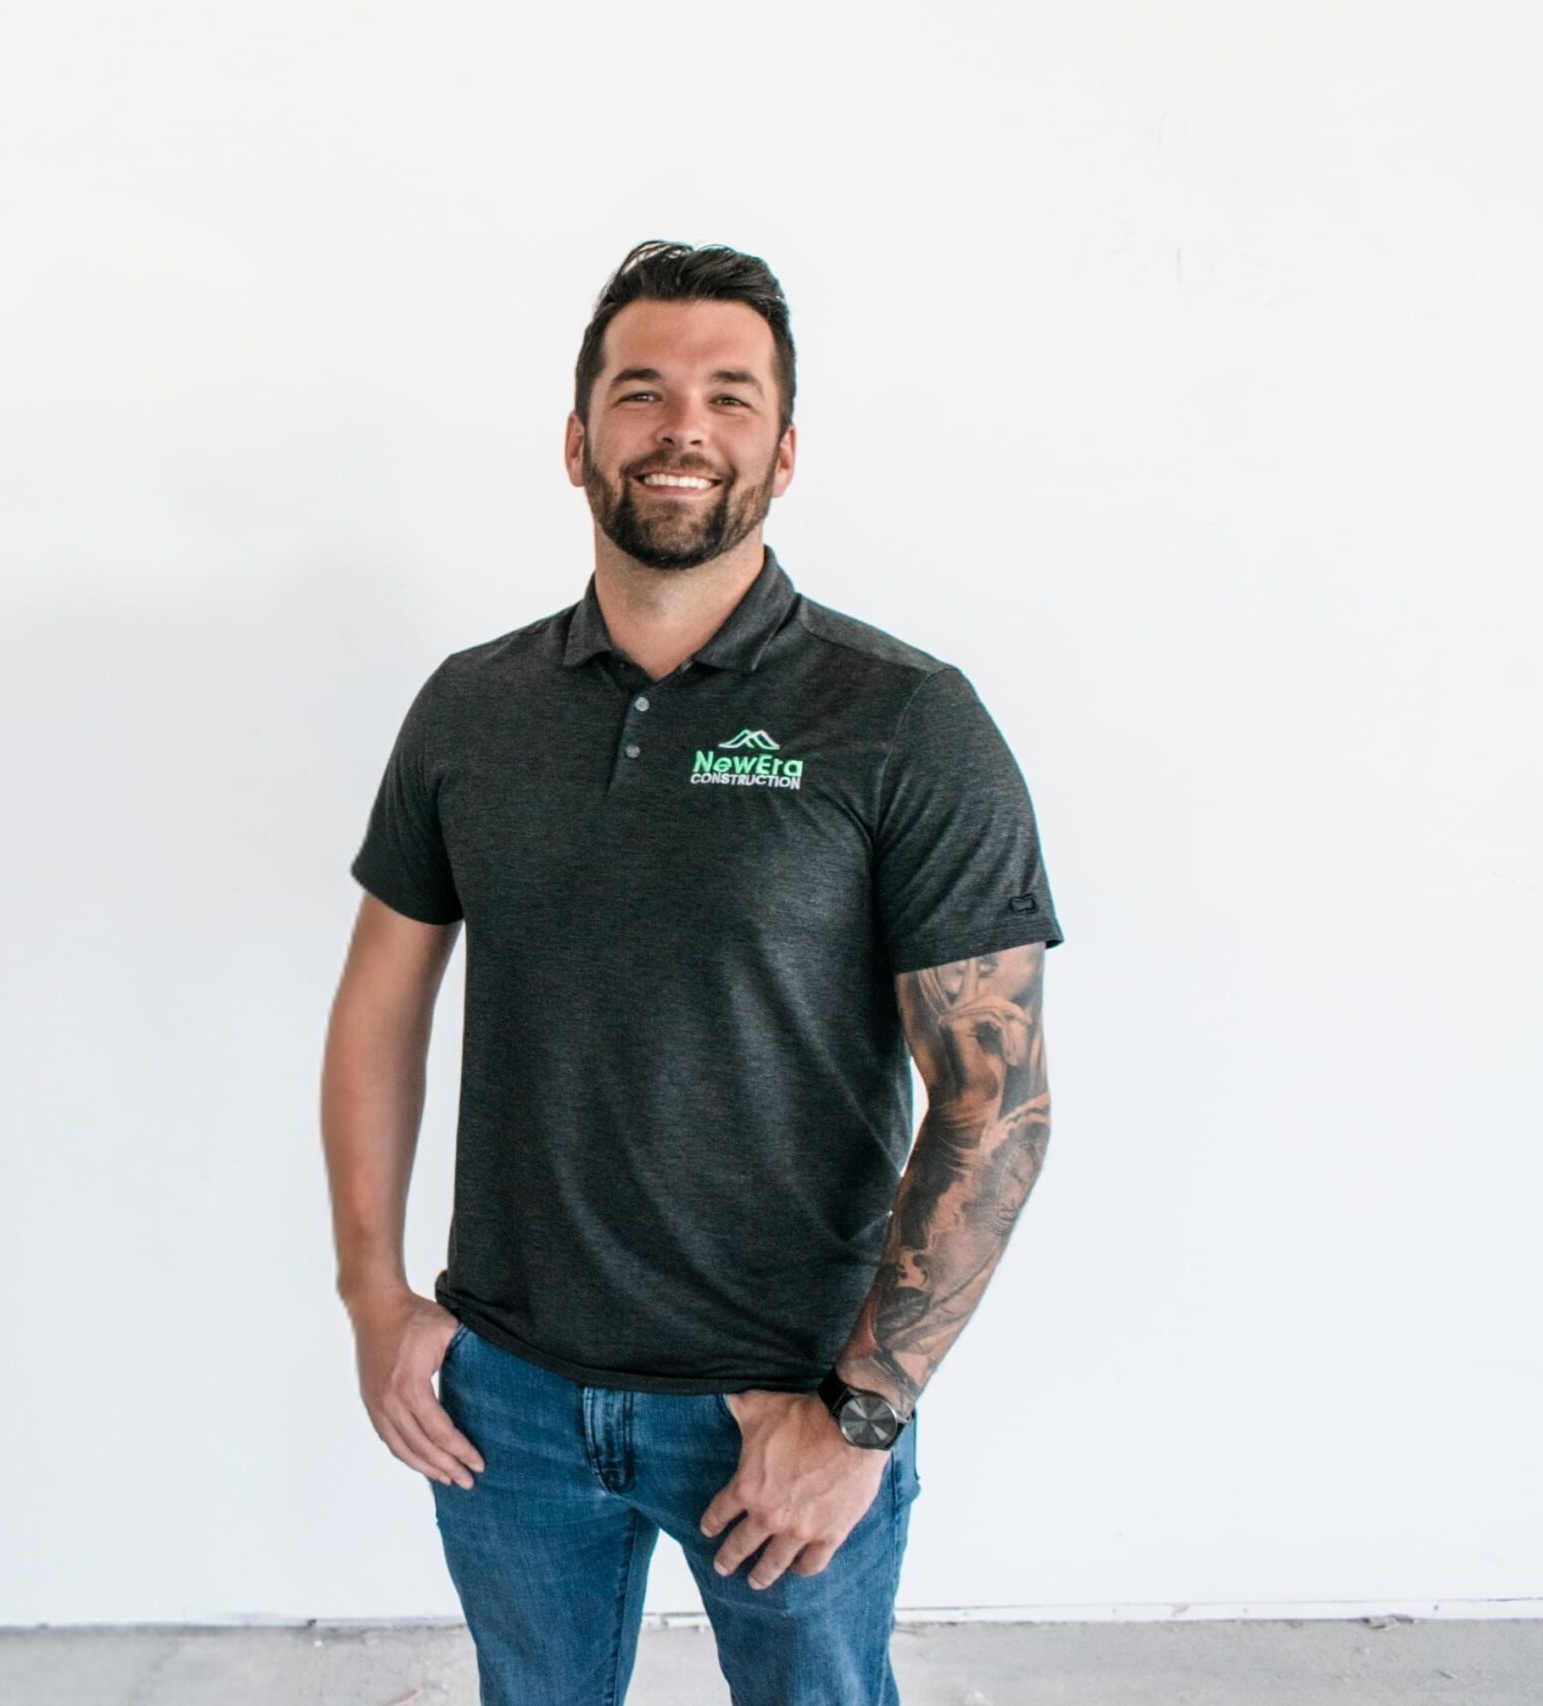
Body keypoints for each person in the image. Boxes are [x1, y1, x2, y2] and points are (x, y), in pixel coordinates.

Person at [320, 239, 1064, 1706]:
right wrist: (372, 1296)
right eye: (640, 389)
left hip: (778, 1404)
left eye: (729, 397)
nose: (681, 426)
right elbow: (378, 1009)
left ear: (782, 453)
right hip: (507, 1403)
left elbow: (998, 1101)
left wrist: (858, 1413)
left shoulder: (903, 719)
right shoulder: (473, 707)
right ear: (576, 437)